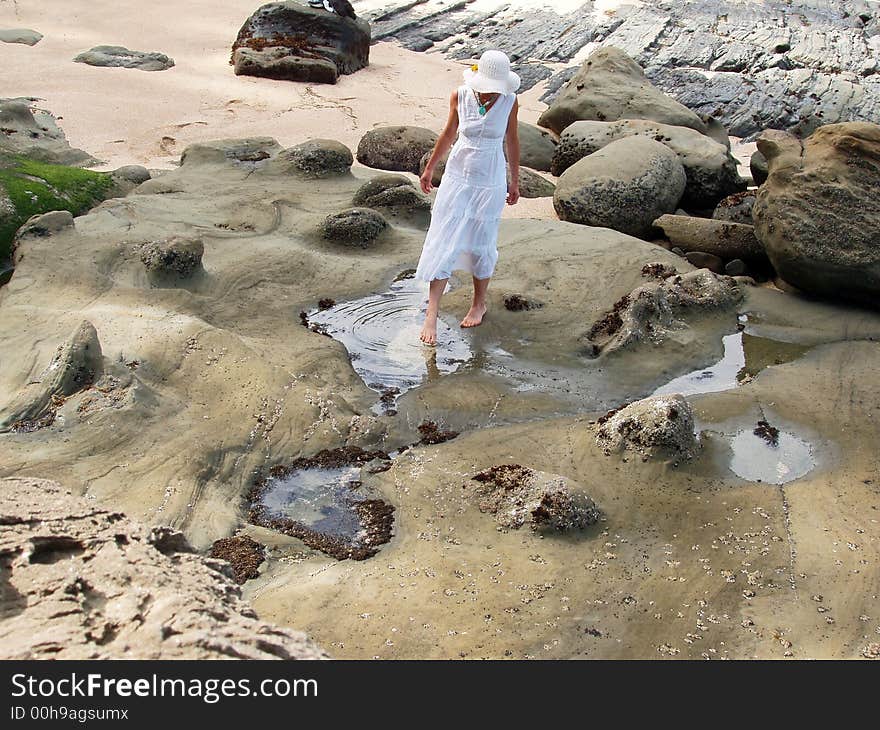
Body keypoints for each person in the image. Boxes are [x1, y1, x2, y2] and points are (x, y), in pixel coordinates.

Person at [415, 49, 521, 345]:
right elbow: (449, 134)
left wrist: (515, 179)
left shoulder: (510, 102)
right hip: (458, 175)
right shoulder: (460, 95)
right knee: (445, 236)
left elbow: (511, 140)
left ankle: (479, 303)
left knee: (482, 240)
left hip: (490, 178)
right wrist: (429, 168)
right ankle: (431, 313)